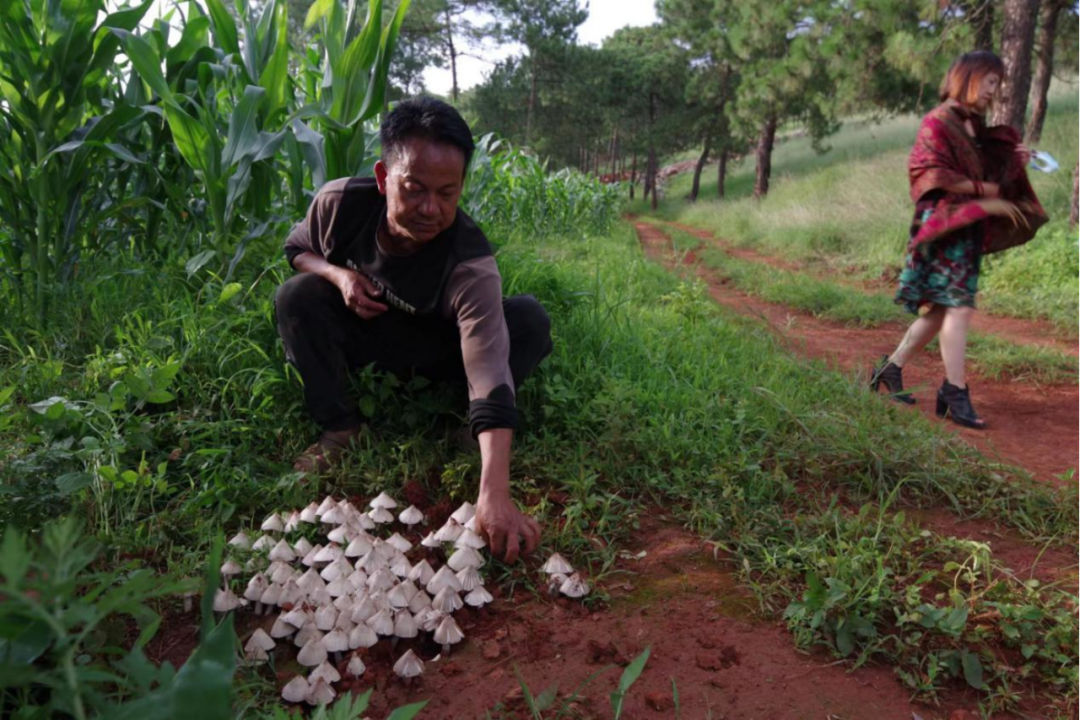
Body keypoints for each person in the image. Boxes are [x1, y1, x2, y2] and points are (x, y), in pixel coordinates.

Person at [275, 97, 552, 563]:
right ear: (385, 179)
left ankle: (462, 426)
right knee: (296, 294)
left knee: (527, 319)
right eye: (415, 188)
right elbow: (296, 248)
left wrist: (494, 493)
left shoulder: (469, 260)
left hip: (442, 355)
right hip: (368, 336)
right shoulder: (341, 205)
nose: (430, 208)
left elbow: (487, 368)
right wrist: (339, 276)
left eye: (447, 194)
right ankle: (341, 428)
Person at [871, 51, 1047, 429]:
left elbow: (979, 167)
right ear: (969, 76)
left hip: (965, 227)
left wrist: (1014, 158)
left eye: (998, 84)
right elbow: (929, 172)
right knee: (959, 307)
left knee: (940, 311)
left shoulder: (972, 125)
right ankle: (953, 393)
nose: (994, 91)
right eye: (991, 81)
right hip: (943, 226)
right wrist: (990, 197)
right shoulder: (937, 121)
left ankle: (889, 370)